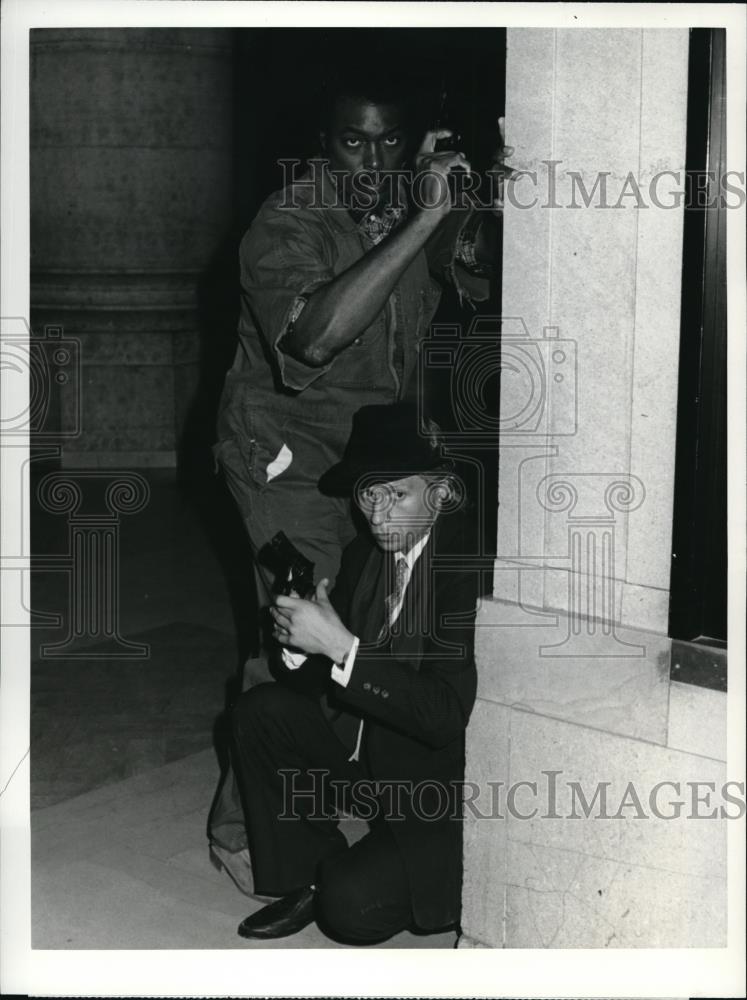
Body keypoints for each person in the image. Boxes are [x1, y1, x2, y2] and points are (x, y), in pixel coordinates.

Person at [209, 58, 496, 886]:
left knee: (375, 626)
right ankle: (243, 832)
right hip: (285, 461)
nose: (369, 163)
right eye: (350, 143)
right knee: (299, 631)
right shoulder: (286, 220)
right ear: (321, 142)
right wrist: (421, 221)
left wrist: (464, 205)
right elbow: (313, 339)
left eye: (390, 143)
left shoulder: (412, 199)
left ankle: (347, 778)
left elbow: (472, 278)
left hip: (373, 463)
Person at [230, 402, 479, 943]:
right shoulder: (369, 554)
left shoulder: (468, 573)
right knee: (260, 711)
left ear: (439, 492)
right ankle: (303, 876)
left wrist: (340, 644)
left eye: (398, 493)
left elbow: (443, 717)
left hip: (436, 791)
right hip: (371, 764)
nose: (380, 513)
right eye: (370, 494)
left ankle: (348, 879)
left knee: (349, 907)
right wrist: (299, 643)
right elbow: (315, 680)